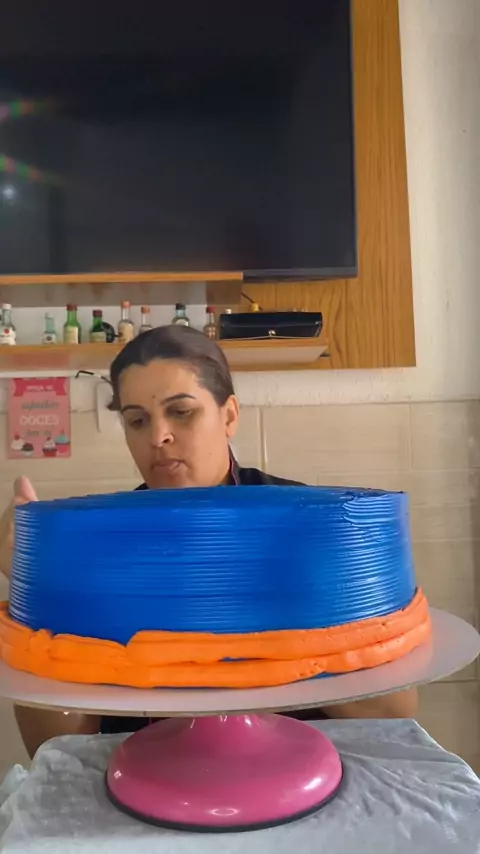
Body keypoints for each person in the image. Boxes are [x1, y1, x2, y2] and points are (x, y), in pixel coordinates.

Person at [0, 326, 417, 758]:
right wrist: (36, 590)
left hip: (301, 774)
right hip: (144, 778)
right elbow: (55, 747)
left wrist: (311, 613)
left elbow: (392, 717)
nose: (157, 437)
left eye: (181, 412)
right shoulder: (97, 547)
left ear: (229, 416)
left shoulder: (313, 527)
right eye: (137, 420)